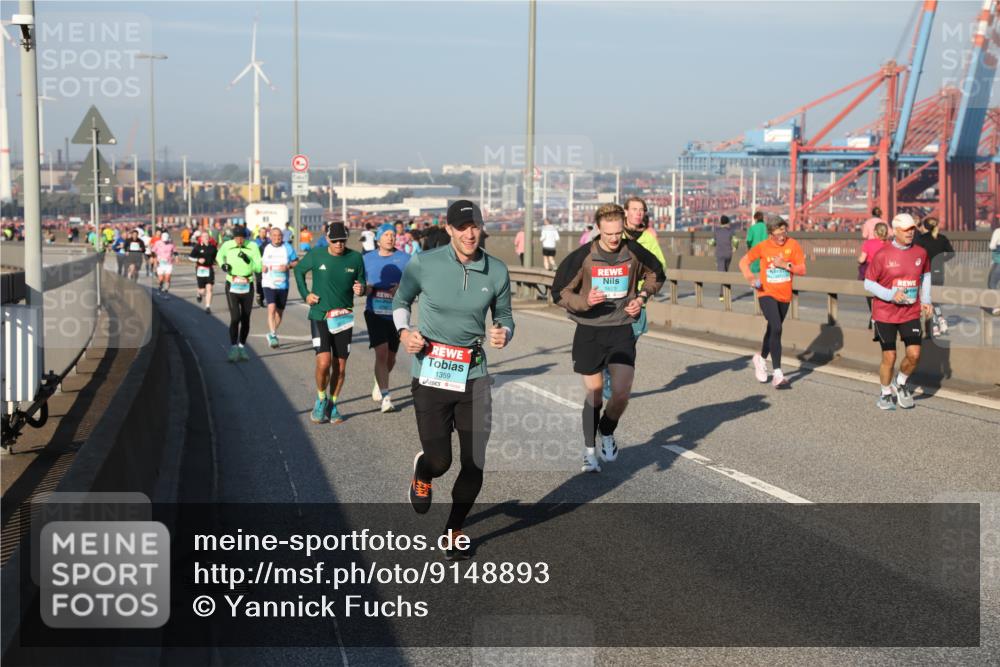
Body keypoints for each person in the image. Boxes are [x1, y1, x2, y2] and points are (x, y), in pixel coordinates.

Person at [394, 200, 513, 560]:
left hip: (473, 376)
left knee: (474, 461)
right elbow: (401, 301)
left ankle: (454, 529)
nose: (470, 234)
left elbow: (505, 315)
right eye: (462, 227)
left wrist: (504, 332)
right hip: (431, 372)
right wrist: (404, 332)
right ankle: (424, 470)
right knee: (441, 461)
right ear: (448, 229)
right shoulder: (424, 263)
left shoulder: (496, 270)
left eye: (474, 225)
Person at [551, 203, 665, 473]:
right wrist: (585, 301)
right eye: (608, 234)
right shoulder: (583, 256)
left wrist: (641, 297)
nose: (614, 239)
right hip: (589, 331)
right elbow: (559, 293)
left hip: (621, 328)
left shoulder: (633, 251)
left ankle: (607, 429)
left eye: (617, 233)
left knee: (622, 392)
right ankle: (589, 450)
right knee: (595, 395)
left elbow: (657, 274)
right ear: (598, 230)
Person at [294, 222, 366, 424]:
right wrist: (306, 294)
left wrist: (361, 289)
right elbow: (298, 271)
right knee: (324, 362)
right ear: (327, 239)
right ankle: (320, 398)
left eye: (342, 240)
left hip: (343, 318)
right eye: (335, 241)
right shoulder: (316, 255)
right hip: (320, 315)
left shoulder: (356, 258)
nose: (339, 244)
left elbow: (361, 282)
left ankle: (332, 404)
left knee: (340, 367)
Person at [864, 213, 932, 410]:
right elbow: (868, 283)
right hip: (885, 313)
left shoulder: (921, 253)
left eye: (912, 229)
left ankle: (900, 382)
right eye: (906, 230)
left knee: (914, 354)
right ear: (895, 231)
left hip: (910, 311)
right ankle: (885, 393)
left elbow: (926, 275)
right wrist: (890, 294)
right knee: (890, 356)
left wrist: (926, 299)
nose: (910, 233)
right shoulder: (883, 254)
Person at [738, 215, 806, 388]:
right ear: (770, 234)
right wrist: (751, 278)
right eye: (778, 233)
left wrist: (785, 265)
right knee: (777, 327)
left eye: (784, 232)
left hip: (785, 295)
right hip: (766, 293)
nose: (782, 236)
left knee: (772, 330)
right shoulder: (763, 247)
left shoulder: (793, 245)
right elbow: (743, 262)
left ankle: (760, 359)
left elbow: (802, 269)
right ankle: (778, 374)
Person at [364, 223, 410, 413]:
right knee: (381, 353)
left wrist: (401, 288)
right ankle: (386, 396)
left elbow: (414, 283)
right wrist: (366, 288)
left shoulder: (405, 258)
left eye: (392, 235)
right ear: (378, 239)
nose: (390, 238)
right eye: (386, 235)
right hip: (374, 311)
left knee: (391, 358)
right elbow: (359, 284)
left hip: (397, 313)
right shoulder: (367, 259)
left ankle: (379, 381)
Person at [216, 225, 263, 362]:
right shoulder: (227, 245)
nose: (239, 241)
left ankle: (242, 347)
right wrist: (223, 265)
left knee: (246, 318)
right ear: (233, 237)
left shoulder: (253, 246)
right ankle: (233, 347)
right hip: (232, 284)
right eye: (237, 238)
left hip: (247, 284)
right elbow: (219, 256)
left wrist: (248, 261)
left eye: (242, 238)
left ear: (245, 237)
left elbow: (259, 267)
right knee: (235, 317)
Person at [914, 216, 954, 336]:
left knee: (927, 299)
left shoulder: (920, 239)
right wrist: (940, 260)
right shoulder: (942, 238)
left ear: (924, 226)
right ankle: (941, 321)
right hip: (939, 273)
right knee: (935, 299)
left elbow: (915, 254)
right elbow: (951, 253)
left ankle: (935, 326)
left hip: (925, 273)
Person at [261, 226, 299, 347]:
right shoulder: (266, 248)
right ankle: (273, 335)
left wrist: (288, 266)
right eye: (274, 235)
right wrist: (262, 267)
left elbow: (296, 262)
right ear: (270, 237)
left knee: (279, 312)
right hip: (268, 283)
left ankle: (271, 332)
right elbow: (260, 262)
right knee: (271, 307)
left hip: (283, 284)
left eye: (279, 236)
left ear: (282, 237)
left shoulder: (287, 247)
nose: (277, 238)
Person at [858, 221, 889, 331]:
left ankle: (873, 324)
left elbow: (862, 259)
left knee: (871, 301)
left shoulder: (868, 243)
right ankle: (876, 323)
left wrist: (858, 260)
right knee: (881, 301)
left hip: (871, 274)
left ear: (875, 232)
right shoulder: (889, 245)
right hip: (885, 275)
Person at [189, 230, 218, 314]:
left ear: (209, 238)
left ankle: (208, 307)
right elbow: (190, 257)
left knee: (210, 288)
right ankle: (199, 294)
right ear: (201, 238)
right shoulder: (197, 247)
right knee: (202, 290)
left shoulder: (213, 247)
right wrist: (198, 260)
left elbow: (216, 257)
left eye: (207, 236)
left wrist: (217, 263)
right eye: (204, 236)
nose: (206, 238)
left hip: (209, 269)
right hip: (200, 269)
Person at [713, 215, 737, 299]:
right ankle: (726, 291)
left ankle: (722, 294)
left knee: (721, 274)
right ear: (728, 222)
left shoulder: (716, 231)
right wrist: (734, 248)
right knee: (725, 271)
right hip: (728, 253)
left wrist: (712, 244)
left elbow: (712, 242)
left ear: (720, 222)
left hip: (719, 254)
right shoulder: (731, 231)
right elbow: (736, 241)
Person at [745, 210, 767, 276]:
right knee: (764, 270)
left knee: (754, 271)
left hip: (755, 250)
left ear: (756, 219)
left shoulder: (752, 228)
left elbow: (749, 240)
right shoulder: (766, 227)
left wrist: (748, 248)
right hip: (765, 251)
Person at [989, 226, 1000, 316]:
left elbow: (992, 246)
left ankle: (996, 306)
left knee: (992, 283)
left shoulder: (997, 231)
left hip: (998, 262)